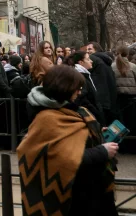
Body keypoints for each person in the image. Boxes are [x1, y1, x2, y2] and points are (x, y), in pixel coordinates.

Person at [19, 66, 118, 216]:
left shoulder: (74, 110)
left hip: (92, 193)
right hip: (72, 200)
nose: (79, 92)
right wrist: (102, 152)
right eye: (76, 88)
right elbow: (59, 158)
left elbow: (75, 139)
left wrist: (95, 133)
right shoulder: (46, 118)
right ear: (64, 88)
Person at [64, 51, 105, 125]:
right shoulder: (80, 77)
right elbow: (82, 100)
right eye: (88, 59)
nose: (91, 61)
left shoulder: (84, 75)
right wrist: (96, 112)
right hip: (89, 118)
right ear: (81, 62)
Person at [112, 46, 136, 153]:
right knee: (133, 123)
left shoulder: (112, 66)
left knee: (120, 123)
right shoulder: (133, 66)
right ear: (128, 54)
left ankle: (121, 146)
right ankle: (132, 146)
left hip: (119, 99)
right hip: (132, 99)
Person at [87, 42, 118, 125]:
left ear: (96, 49)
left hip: (101, 100)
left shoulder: (93, 59)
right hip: (109, 98)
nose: (88, 52)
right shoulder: (105, 60)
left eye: (90, 49)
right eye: (87, 50)